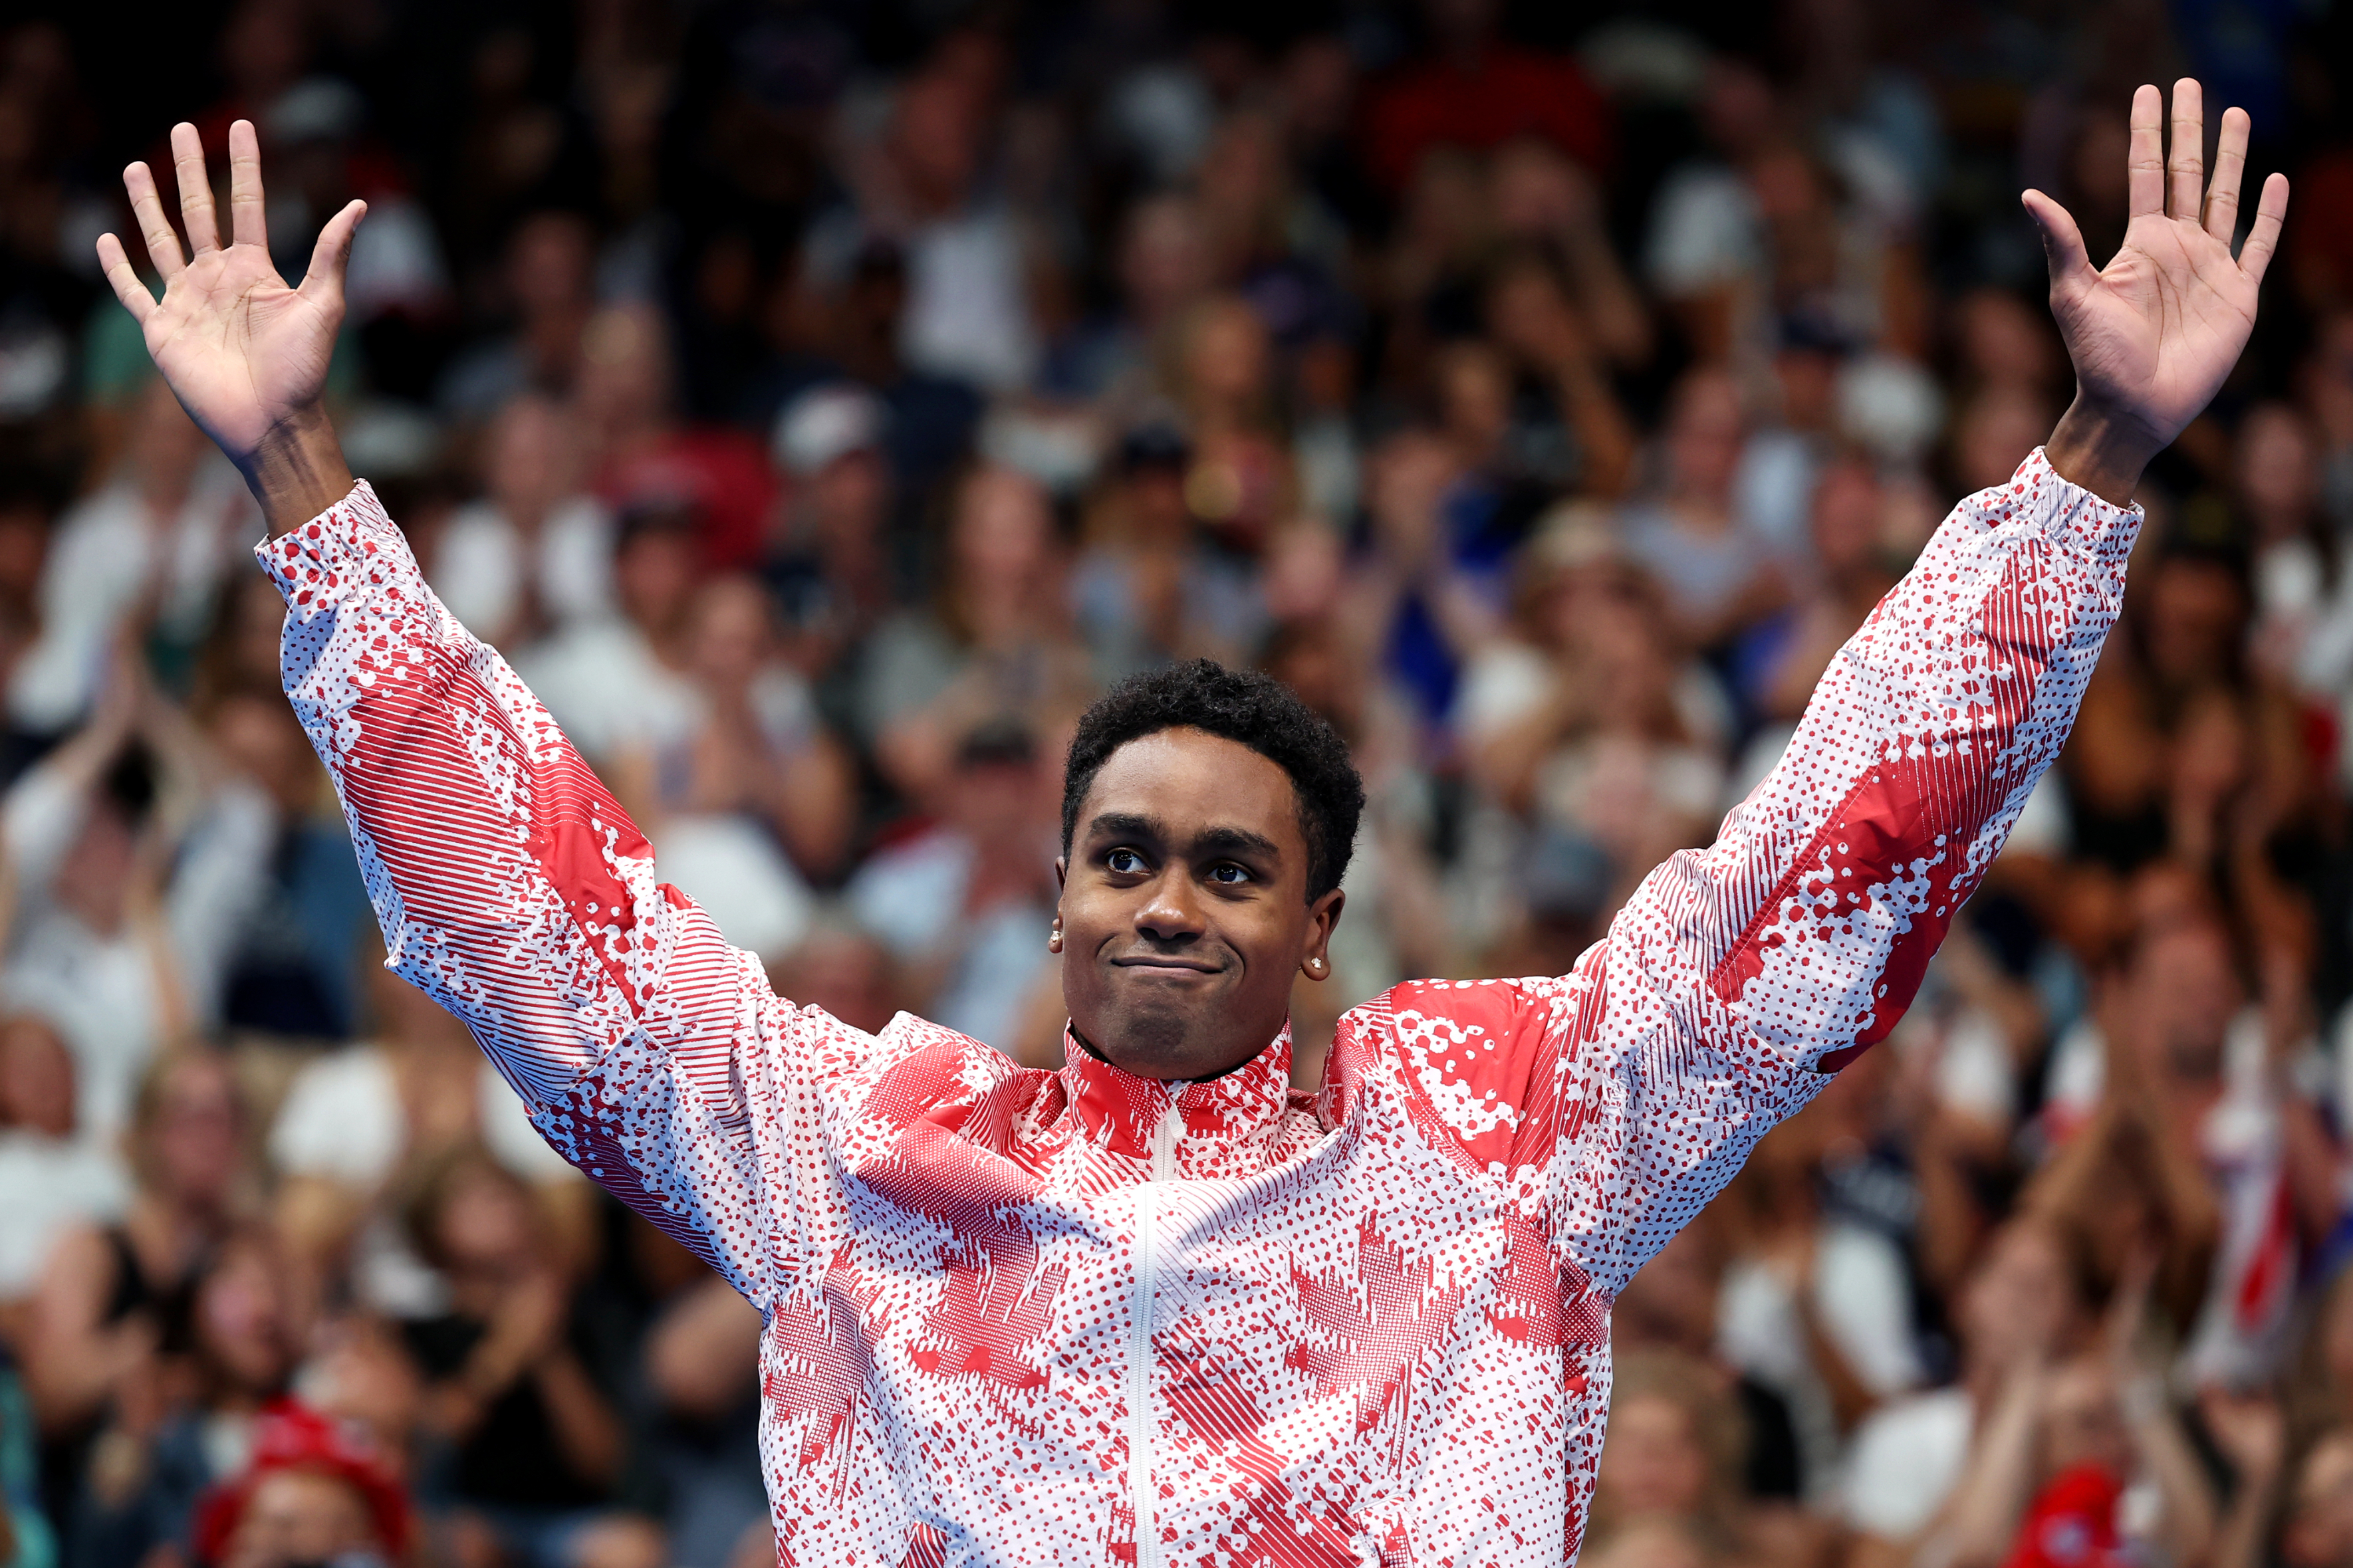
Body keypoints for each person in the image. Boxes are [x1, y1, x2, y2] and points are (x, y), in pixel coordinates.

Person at [94, 80, 2287, 1565]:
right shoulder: (863, 1151)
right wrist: (303, 490)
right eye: (1122, 855)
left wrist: (2088, 462)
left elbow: (1816, 885)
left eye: (1230, 869)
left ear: (1319, 927)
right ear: (1050, 897)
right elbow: (542, 928)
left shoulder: (1496, 1136)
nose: (1163, 902)